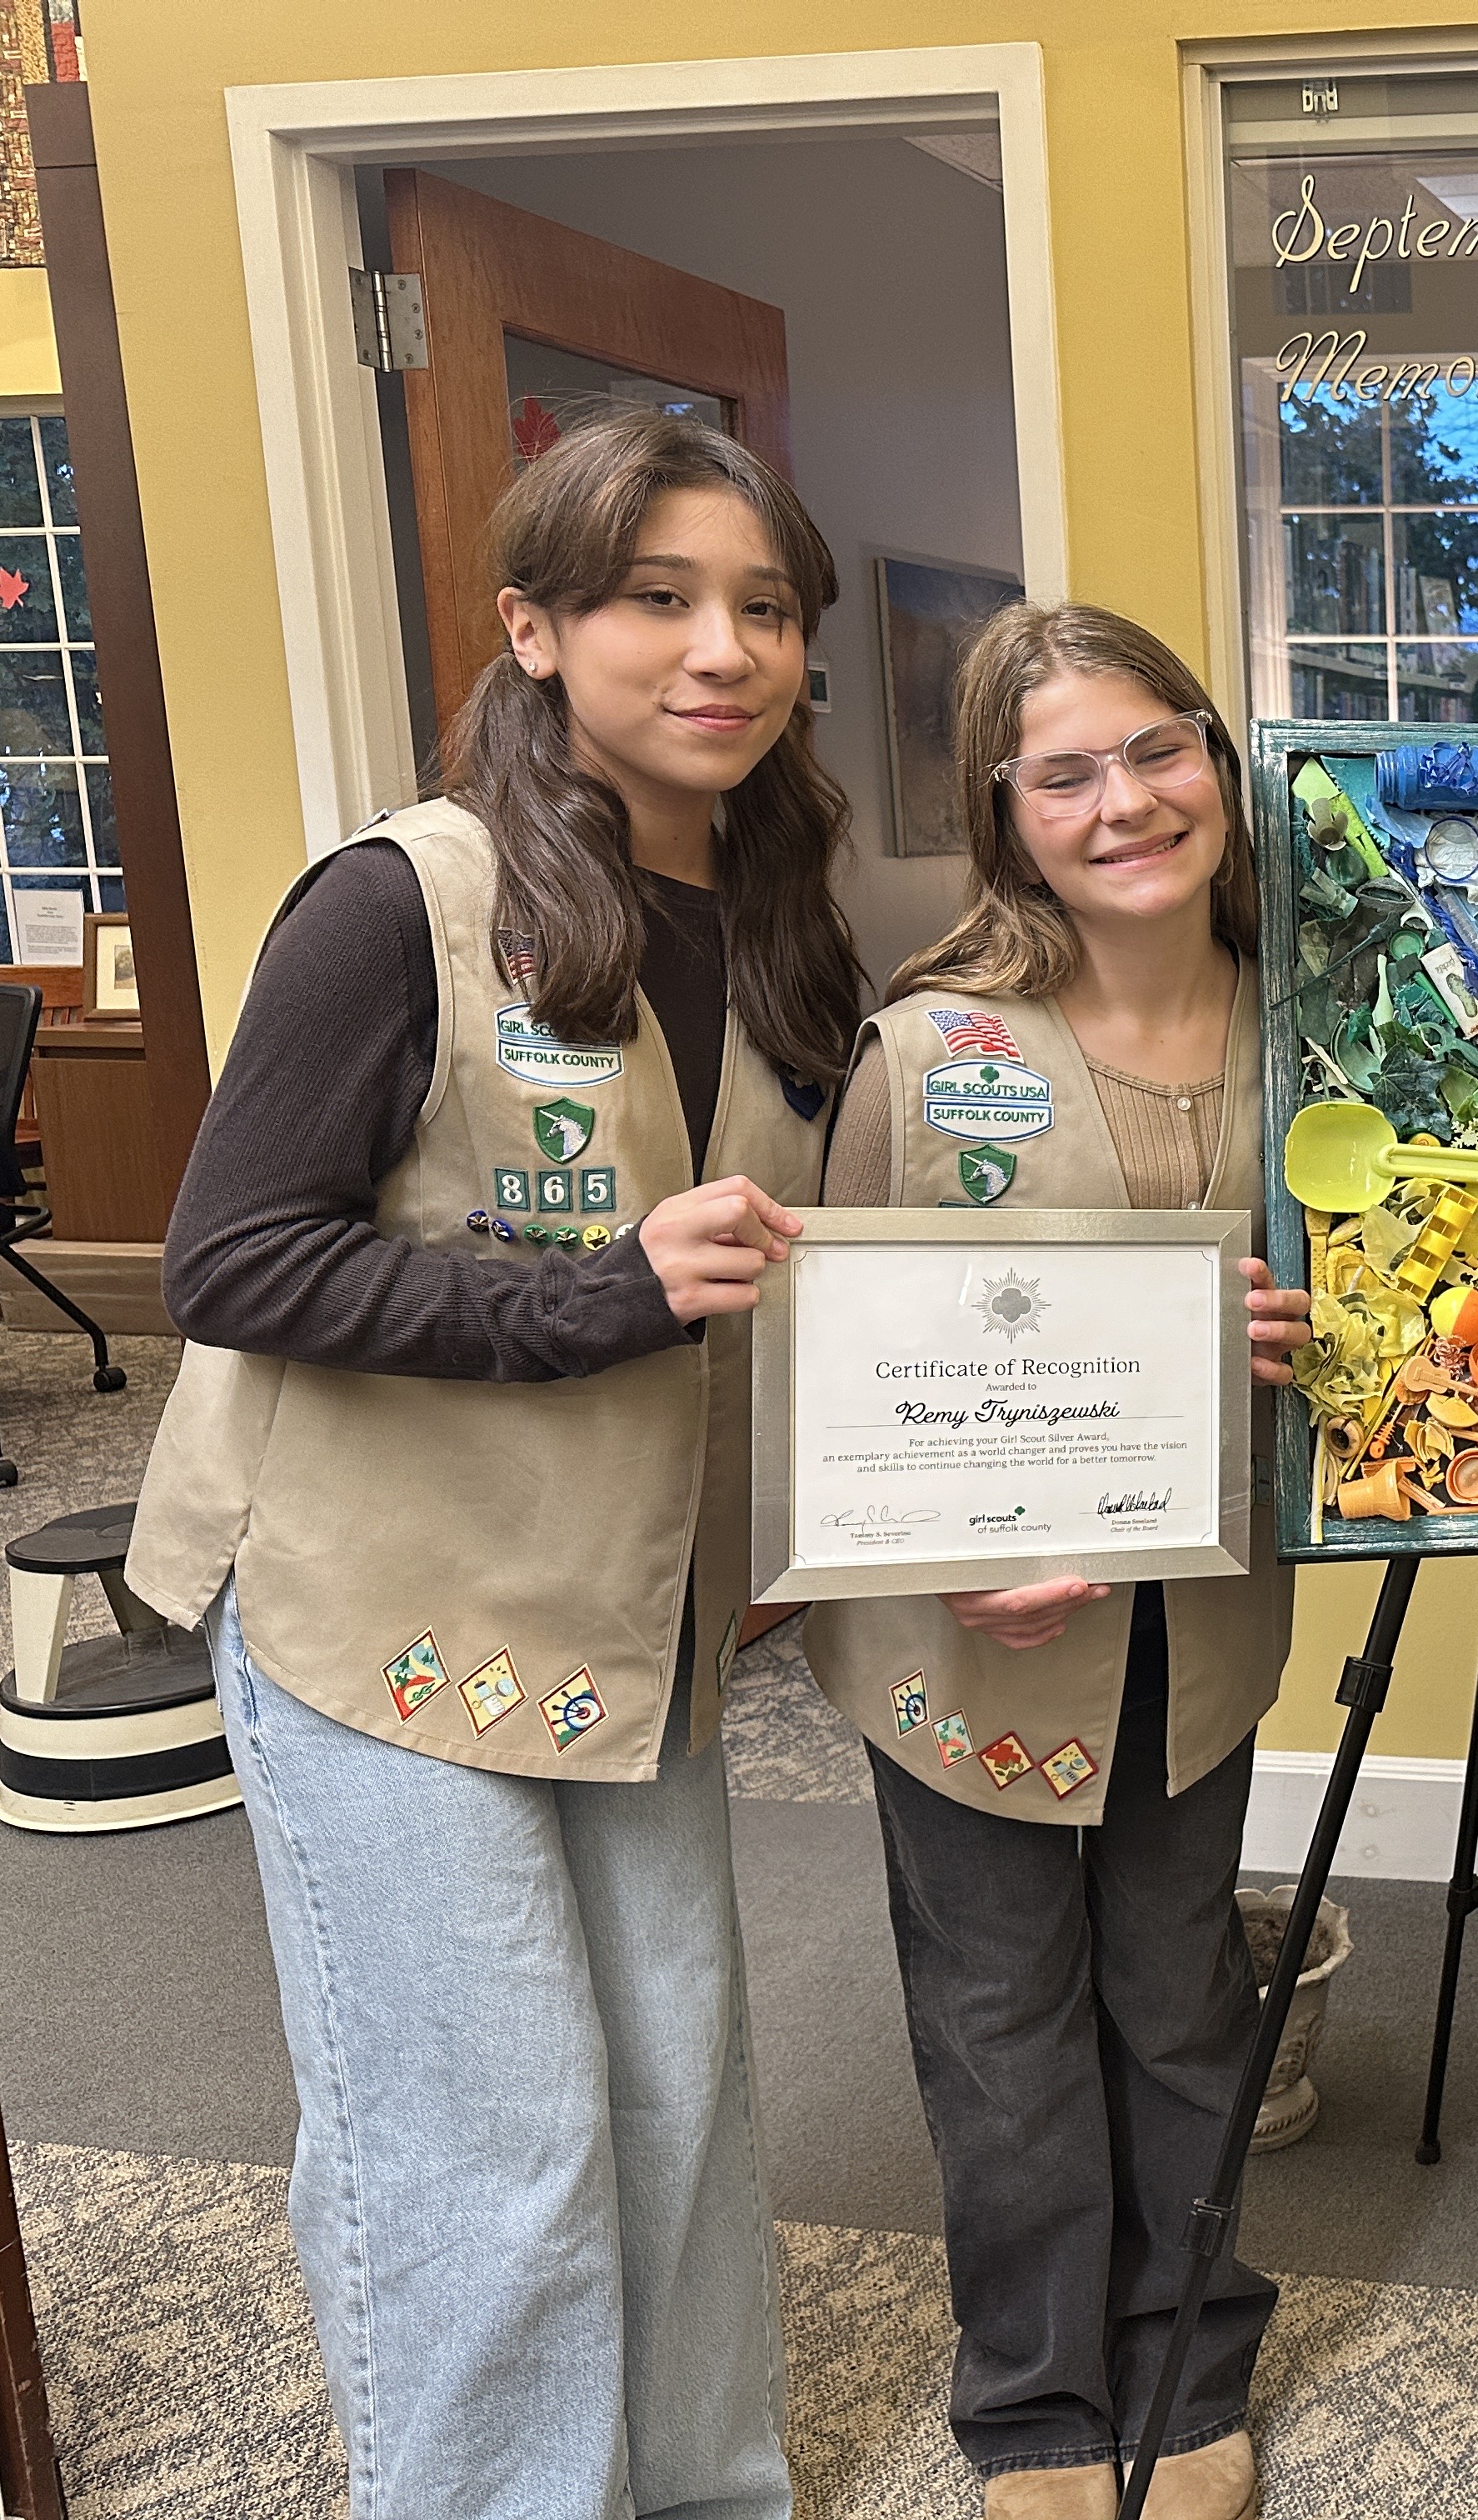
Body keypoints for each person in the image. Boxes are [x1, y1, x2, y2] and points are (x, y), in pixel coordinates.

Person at [127, 409, 863, 2520]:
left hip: (634, 1617)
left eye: (766, 608)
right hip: (385, 1604)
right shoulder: (406, 899)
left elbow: (804, 1275)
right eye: (656, 598)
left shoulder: (797, 922)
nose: (721, 649)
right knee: (492, 2140)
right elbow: (231, 1261)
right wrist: (593, 1304)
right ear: (535, 628)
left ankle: (705, 2488)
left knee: (675, 2102)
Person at [802, 602, 1308, 2520]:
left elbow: (1420, 1303)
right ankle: (1029, 2401)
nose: (1126, 802)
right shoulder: (935, 1053)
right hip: (976, 1642)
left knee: (1179, 1991)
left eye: (1157, 748)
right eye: (1067, 773)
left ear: (1216, 757)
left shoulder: (1317, 1013)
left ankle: (1187, 2362)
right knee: (1001, 2014)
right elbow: (834, 1364)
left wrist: (1307, 1335)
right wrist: (936, 1558)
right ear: (1007, 819)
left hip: (1206, 1621)